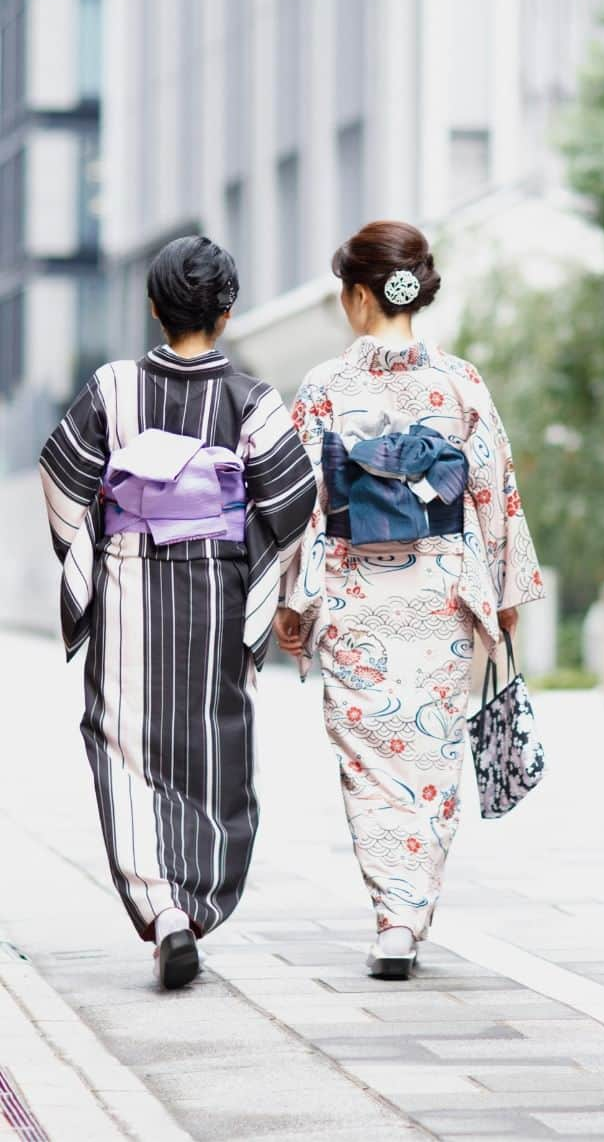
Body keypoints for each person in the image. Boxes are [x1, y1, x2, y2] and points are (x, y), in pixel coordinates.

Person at [39, 236, 317, 990]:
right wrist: (254, 561)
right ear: (226, 314)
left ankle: (160, 910)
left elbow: (64, 479)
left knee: (122, 742)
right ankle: (193, 906)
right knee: (213, 745)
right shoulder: (251, 398)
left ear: (153, 305)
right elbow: (292, 501)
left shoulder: (112, 387)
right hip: (217, 590)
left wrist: (97, 541)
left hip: (132, 581)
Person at [275, 220, 544, 979]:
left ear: (360, 296)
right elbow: (493, 487)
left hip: (356, 592)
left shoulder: (327, 388)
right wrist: (504, 592)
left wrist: (292, 602)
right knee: (432, 753)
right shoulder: (459, 381)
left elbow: (302, 502)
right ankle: (410, 915)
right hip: (440, 591)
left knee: (368, 763)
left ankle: (391, 914)